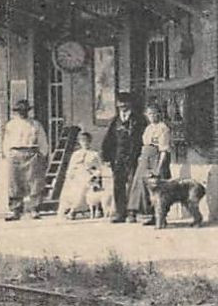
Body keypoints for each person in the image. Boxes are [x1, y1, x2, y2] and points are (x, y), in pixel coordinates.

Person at [101, 92, 147, 224]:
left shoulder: (139, 120)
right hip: (118, 158)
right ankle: (120, 213)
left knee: (134, 184)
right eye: (120, 105)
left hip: (134, 156)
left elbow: (145, 138)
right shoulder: (115, 121)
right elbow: (108, 140)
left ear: (130, 105)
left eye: (125, 105)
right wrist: (106, 157)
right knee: (118, 185)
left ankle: (132, 212)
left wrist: (142, 156)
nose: (123, 107)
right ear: (117, 105)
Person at [1, 98, 50, 221]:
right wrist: (9, 155)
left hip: (31, 153)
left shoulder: (35, 124)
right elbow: (6, 142)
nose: (22, 112)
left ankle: (34, 208)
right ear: (16, 112)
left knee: (34, 182)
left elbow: (42, 141)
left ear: (28, 111)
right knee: (14, 183)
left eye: (24, 110)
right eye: (19, 110)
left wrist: (42, 155)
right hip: (15, 153)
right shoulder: (11, 125)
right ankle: (15, 210)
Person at [137, 101, 175, 227]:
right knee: (146, 188)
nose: (152, 116)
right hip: (146, 159)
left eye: (154, 113)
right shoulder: (148, 128)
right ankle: (152, 215)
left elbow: (164, 149)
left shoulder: (163, 128)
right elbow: (145, 145)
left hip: (158, 159)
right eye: (149, 114)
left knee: (160, 189)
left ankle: (162, 217)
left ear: (159, 114)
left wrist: (159, 167)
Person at [57, 127, 108, 219]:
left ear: (90, 141)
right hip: (77, 175)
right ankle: (69, 209)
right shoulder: (76, 154)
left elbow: (100, 168)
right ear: (79, 142)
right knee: (69, 187)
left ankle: (74, 210)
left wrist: (95, 175)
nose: (85, 143)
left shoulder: (94, 154)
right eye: (82, 141)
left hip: (89, 175)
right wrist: (69, 175)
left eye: (87, 141)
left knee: (83, 186)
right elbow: (71, 167)